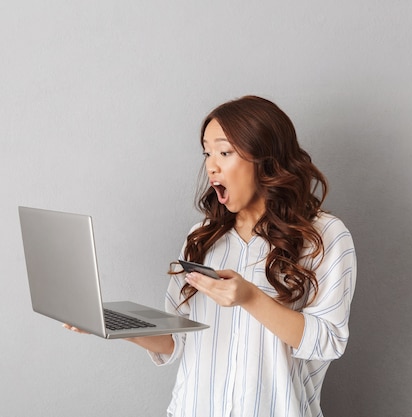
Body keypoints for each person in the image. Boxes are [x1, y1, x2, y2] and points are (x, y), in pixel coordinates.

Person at [66, 95, 356, 417]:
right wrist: (111, 323)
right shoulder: (202, 236)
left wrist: (250, 297)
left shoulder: (324, 236)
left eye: (224, 152)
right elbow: (176, 340)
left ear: (267, 158)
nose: (211, 165)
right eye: (207, 152)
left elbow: (328, 341)